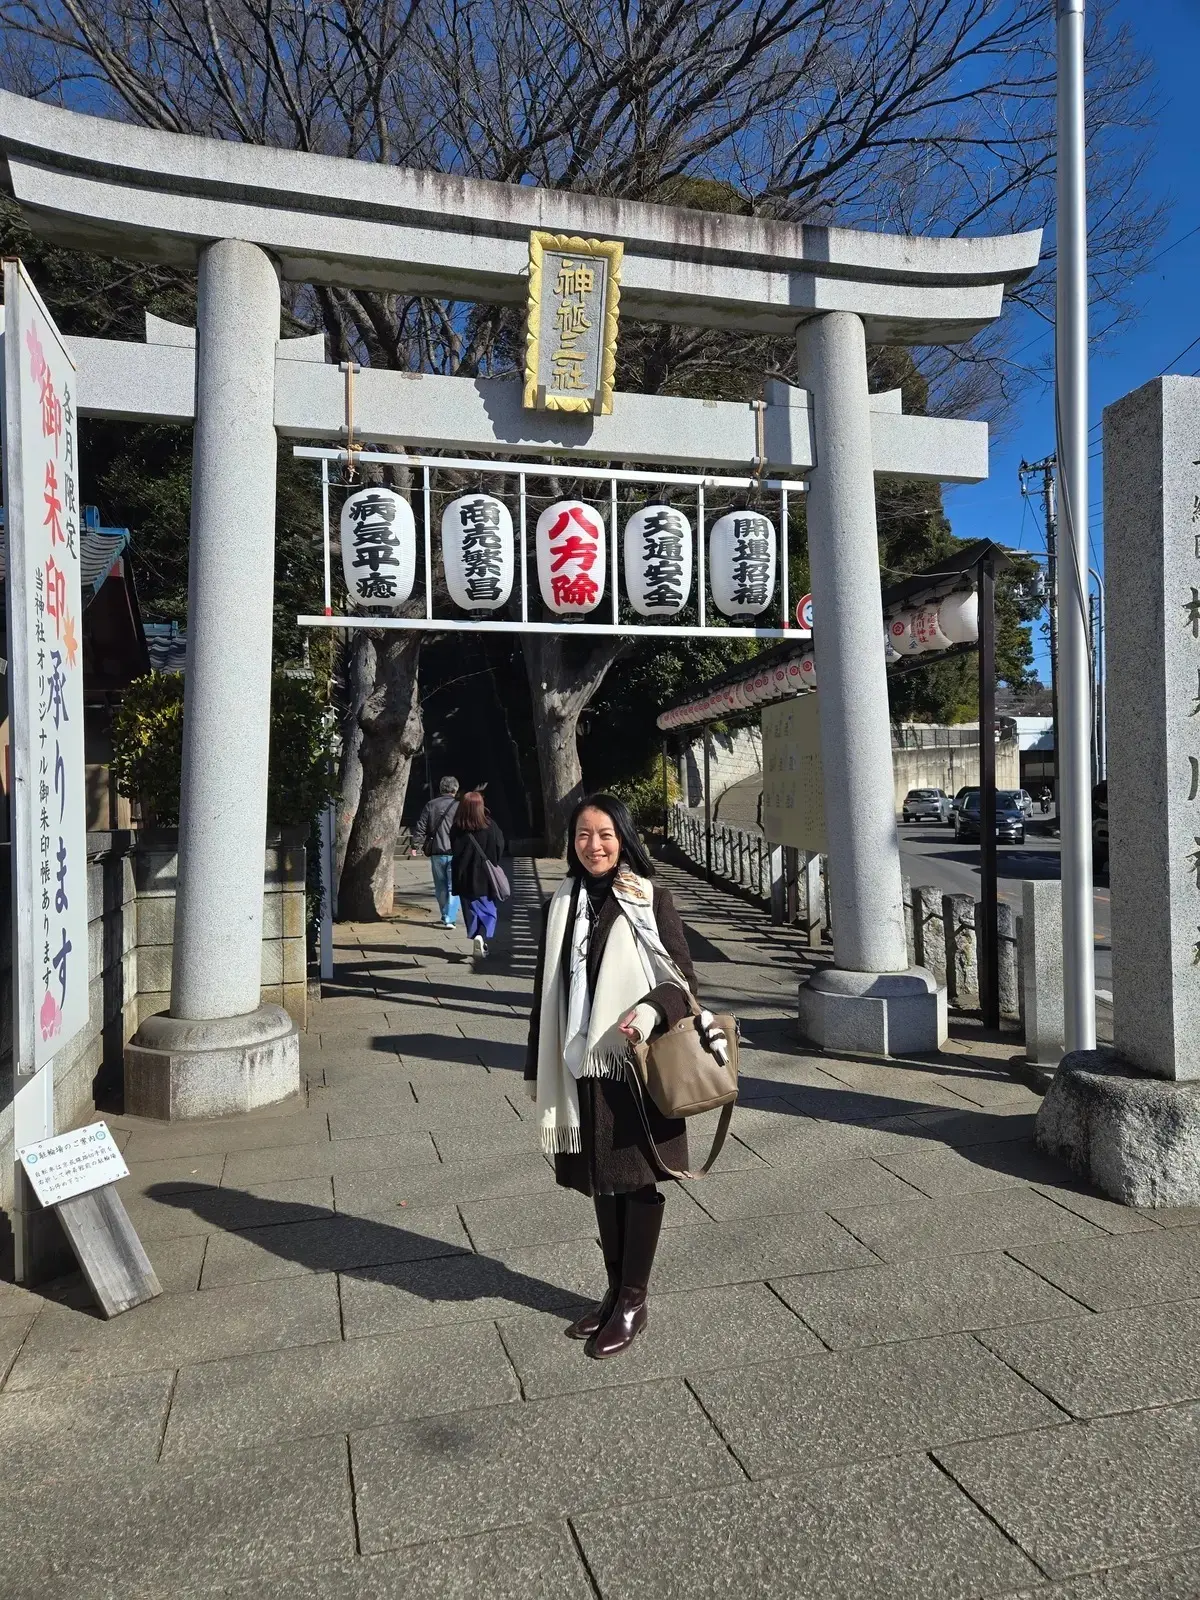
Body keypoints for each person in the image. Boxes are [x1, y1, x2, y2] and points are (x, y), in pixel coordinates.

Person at [524, 793, 697, 1361]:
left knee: (637, 1180)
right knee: (602, 1180)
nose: (594, 846)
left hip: (632, 1064)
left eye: (605, 835)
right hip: (581, 1065)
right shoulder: (563, 903)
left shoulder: (648, 900)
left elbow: (683, 983)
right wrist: (536, 1062)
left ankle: (633, 1300)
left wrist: (649, 1011)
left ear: (623, 839)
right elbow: (545, 993)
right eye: (583, 835)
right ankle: (613, 1290)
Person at [450, 790, 506, 957]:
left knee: (471, 910)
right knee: (489, 910)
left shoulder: (456, 828)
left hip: (463, 876)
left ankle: (476, 936)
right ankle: (481, 936)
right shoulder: (490, 826)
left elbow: (454, 849)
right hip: (484, 877)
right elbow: (499, 846)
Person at [410, 776, 461, 929]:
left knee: (440, 886)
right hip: (455, 851)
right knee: (454, 886)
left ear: (441, 788)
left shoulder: (431, 805)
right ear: (455, 789)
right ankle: (450, 918)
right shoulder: (459, 806)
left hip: (437, 851)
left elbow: (421, 826)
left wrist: (415, 845)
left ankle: (445, 914)